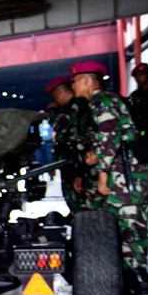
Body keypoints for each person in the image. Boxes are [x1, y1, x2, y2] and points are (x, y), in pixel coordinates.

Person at [70, 59, 148, 295]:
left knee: (126, 229)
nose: (73, 86)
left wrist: (103, 174)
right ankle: (139, 286)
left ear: (86, 80)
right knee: (136, 228)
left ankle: (142, 289)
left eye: (74, 81)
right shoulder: (110, 99)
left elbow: (109, 135)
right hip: (136, 172)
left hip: (125, 175)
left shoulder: (101, 101)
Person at [45, 76, 90, 213]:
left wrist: (53, 112)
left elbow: (59, 130)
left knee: (78, 202)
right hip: (77, 162)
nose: (56, 101)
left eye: (55, 97)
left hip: (78, 163)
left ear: (59, 93)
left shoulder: (72, 108)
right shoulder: (79, 105)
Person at [128, 62, 148, 140]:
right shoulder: (134, 95)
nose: (138, 78)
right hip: (141, 135)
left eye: (141, 75)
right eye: (136, 76)